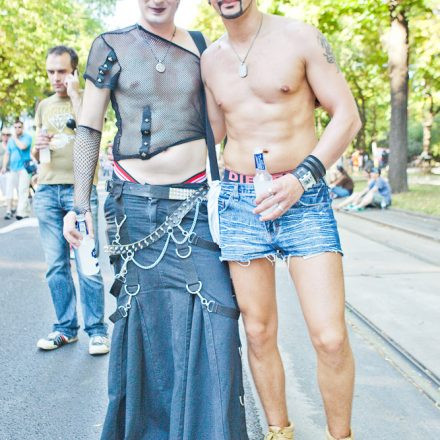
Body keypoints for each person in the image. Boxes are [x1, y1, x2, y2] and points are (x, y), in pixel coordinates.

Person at [63, 1, 248, 439]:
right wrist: (79, 203)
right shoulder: (110, 45)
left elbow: (220, 121)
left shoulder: (203, 46)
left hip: (197, 205)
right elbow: (89, 126)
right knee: (145, 330)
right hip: (134, 209)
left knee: (218, 321)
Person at [202, 1, 362, 439]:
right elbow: (209, 137)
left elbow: (347, 117)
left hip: (303, 197)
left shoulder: (301, 37)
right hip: (239, 201)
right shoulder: (209, 60)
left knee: (330, 336)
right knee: (257, 331)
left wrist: (302, 178)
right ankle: (279, 432)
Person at [32, 46, 109, 355]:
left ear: (74, 71)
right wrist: (37, 148)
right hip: (49, 190)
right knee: (55, 266)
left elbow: (91, 131)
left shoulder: (87, 100)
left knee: (87, 262)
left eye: (62, 71)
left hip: (80, 190)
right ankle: (65, 328)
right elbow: (40, 156)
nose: (55, 78)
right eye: (51, 72)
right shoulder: (43, 106)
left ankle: (97, 330)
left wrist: (77, 94)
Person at [1, 120, 32, 220]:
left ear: (22, 128)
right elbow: (7, 154)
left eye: (19, 127)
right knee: (9, 190)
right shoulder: (10, 141)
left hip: (23, 168)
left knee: (22, 190)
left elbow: (22, 147)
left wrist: (14, 138)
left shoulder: (27, 137)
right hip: (12, 169)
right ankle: (9, 210)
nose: (17, 129)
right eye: (15, 127)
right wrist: (4, 167)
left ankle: (21, 212)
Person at [0, 127, 11, 206]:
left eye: (7, 135)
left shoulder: (12, 145)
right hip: (2, 172)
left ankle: (9, 209)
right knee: (4, 190)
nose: (5, 136)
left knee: (9, 190)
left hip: (12, 171)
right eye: (3, 134)